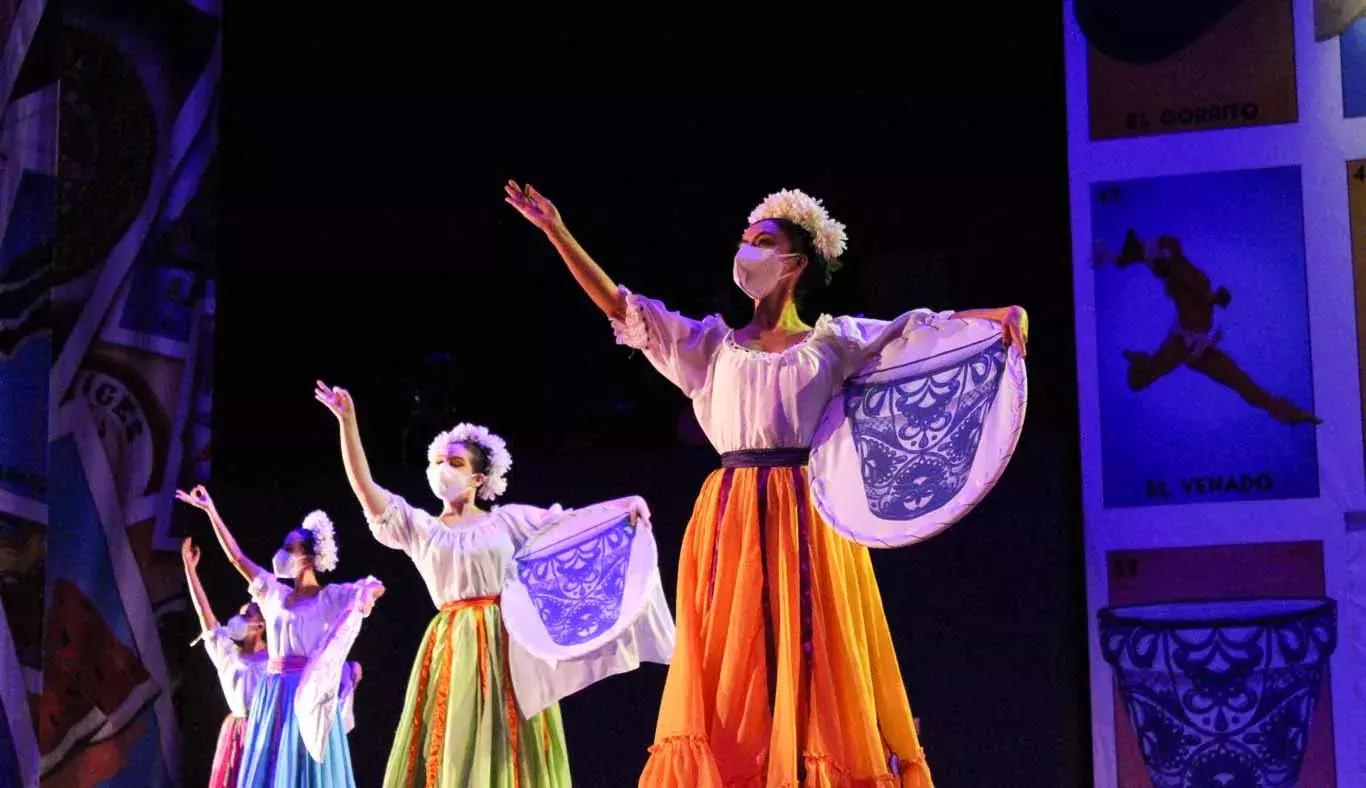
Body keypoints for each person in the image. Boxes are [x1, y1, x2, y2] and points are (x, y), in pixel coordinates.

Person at [506, 182, 1028, 787]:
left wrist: (1000, 317)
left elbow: (922, 332)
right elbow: (623, 308)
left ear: (795, 263)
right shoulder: (709, 347)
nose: (746, 250)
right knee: (736, 664)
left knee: (812, 654)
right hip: (730, 516)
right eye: (745, 240)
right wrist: (557, 231)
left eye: (763, 242)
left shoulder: (834, 341)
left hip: (810, 513)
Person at [314, 381, 674, 787]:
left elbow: (569, 525)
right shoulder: (423, 529)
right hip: (453, 639)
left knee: (508, 735)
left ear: (477, 478)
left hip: (508, 638)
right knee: (455, 735)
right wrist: (348, 422)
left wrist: (623, 506)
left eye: (454, 462)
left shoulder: (506, 521)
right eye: (436, 460)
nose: (441, 468)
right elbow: (366, 490)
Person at [176, 485, 384, 788]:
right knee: (271, 769)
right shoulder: (273, 593)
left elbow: (373, 586)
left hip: (307, 692)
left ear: (310, 556)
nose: (281, 554)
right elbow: (237, 559)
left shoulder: (329, 598)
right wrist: (211, 511)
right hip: (272, 694)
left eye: (290, 549)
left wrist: (367, 596)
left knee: (303, 768)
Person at [1096, 228, 1320, 425]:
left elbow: (1247, 389)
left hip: (1197, 345)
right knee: (1182, 272)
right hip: (1186, 339)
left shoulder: (1189, 278)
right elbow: (1181, 275)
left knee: (1245, 386)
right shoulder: (1184, 282)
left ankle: (1285, 411)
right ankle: (1282, 410)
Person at [183, 537, 268, 788]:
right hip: (238, 735)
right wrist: (190, 569)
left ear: (261, 625)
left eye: (247, 615)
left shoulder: (276, 660)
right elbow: (205, 616)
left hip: (267, 733)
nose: (239, 618)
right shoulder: (228, 654)